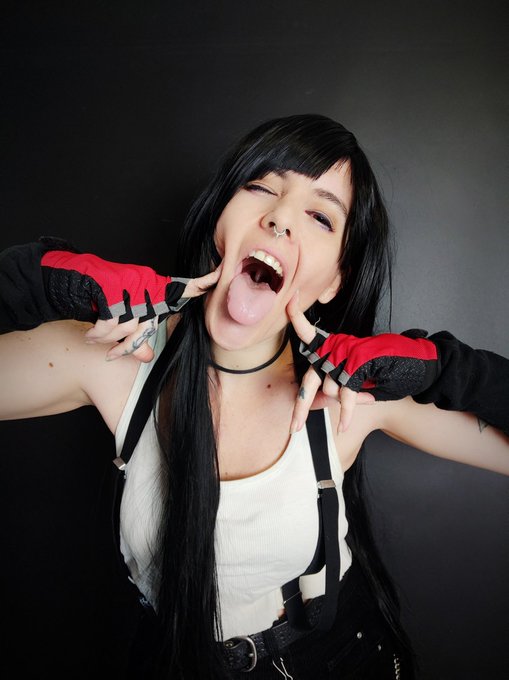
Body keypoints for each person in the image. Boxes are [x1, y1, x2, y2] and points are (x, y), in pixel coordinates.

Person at [1, 114, 508, 680]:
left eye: (320, 216)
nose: (280, 217)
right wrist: (34, 283)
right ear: (222, 216)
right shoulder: (112, 356)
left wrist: (444, 369)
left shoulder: (351, 395)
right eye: (262, 186)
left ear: (334, 280)